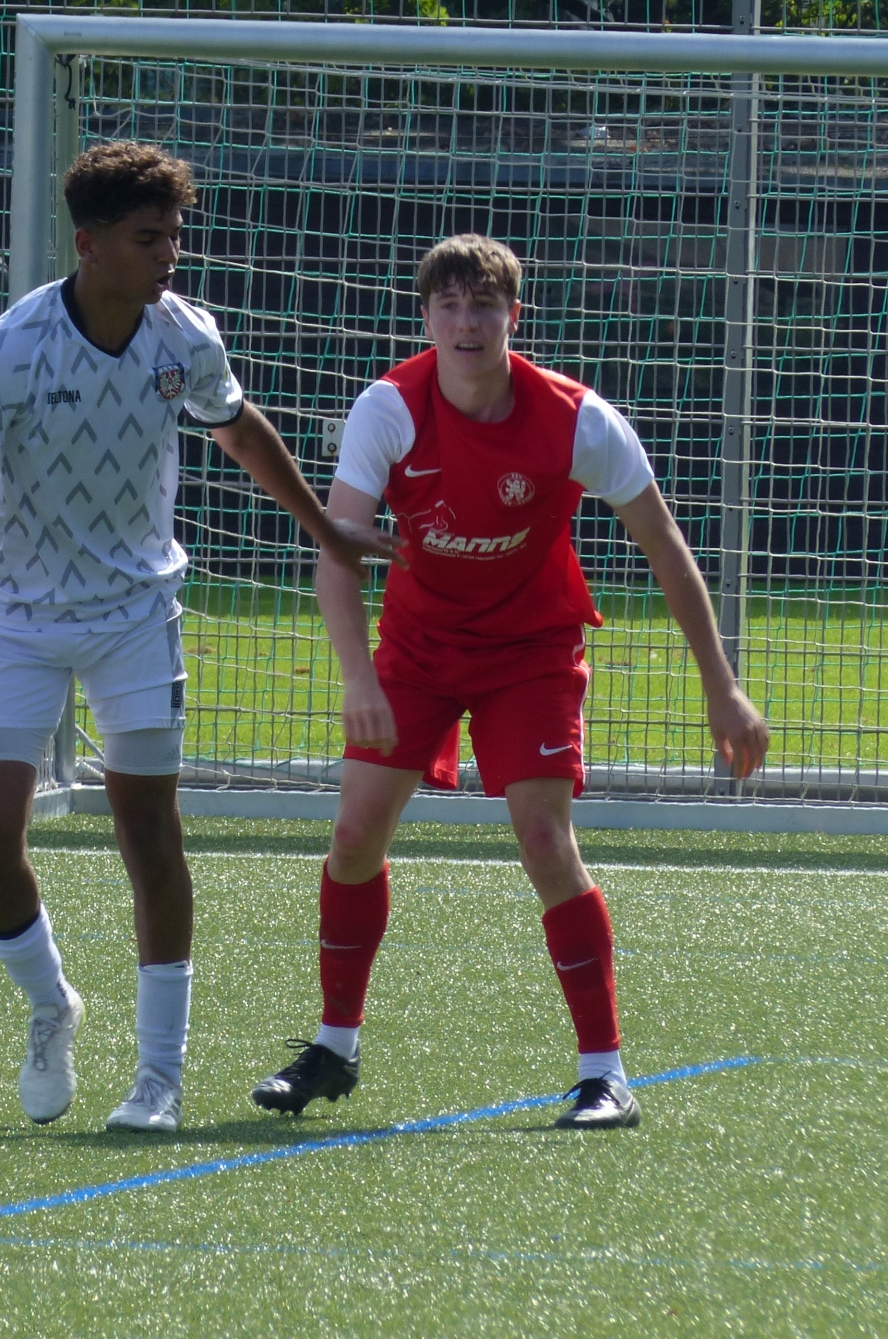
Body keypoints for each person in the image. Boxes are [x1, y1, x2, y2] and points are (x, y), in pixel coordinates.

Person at [0, 141, 399, 1133]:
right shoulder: (9, 350)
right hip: (18, 620)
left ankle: (158, 1079)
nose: (169, 255)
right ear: (90, 245)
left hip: (138, 615)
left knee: (149, 834)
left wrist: (327, 530)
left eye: (174, 236)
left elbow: (237, 426)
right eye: (149, 239)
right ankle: (50, 1004)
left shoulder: (182, 335)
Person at [250, 234, 770, 1129]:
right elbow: (337, 549)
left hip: (530, 649)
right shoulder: (388, 408)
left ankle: (605, 1076)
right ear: (426, 318)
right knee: (353, 836)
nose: (467, 323)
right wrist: (356, 679)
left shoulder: (577, 419)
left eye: (483, 304)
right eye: (449, 305)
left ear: (513, 317)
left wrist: (723, 687)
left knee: (542, 837)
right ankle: (334, 1048)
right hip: (418, 648)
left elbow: (665, 547)